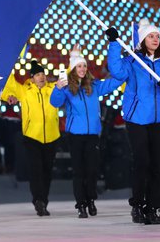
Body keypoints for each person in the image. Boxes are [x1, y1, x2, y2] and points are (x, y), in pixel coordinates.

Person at [104, 19, 160, 225]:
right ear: (142, 40)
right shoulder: (133, 62)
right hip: (137, 119)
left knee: (158, 165)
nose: (155, 39)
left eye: (157, 36)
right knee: (142, 163)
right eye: (151, 36)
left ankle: (153, 208)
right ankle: (138, 205)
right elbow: (117, 71)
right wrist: (113, 44)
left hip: (158, 121)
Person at [50, 46, 123, 218]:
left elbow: (114, 83)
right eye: (78, 66)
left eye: (84, 66)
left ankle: (91, 199)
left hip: (92, 135)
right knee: (79, 171)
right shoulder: (67, 87)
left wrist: (124, 72)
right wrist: (58, 88)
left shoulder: (95, 85)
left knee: (92, 170)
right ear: (73, 69)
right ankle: (81, 204)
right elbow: (55, 102)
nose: (82, 69)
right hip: (75, 135)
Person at [1, 60, 59, 216]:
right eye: (38, 75)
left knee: (47, 171)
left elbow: (67, 78)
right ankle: (38, 201)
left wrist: (74, 57)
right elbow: (7, 83)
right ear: (32, 78)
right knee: (36, 171)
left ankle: (43, 201)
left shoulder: (53, 89)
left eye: (43, 74)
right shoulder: (24, 91)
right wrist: (8, 62)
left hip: (52, 136)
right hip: (32, 137)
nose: (41, 77)